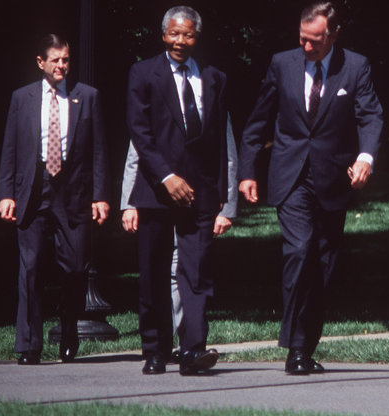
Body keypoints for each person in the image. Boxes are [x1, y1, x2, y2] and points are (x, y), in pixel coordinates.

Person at [238, 1, 383, 375]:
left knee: (323, 263)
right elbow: (260, 118)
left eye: (315, 41)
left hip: (334, 178)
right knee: (299, 251)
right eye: (302, 39)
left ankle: (306, 343)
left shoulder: (355, 66)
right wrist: (248, 171)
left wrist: (365, 158)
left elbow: (369, 115)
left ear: (333, 35)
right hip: (290, 176)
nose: (306, 48)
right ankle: (295, 348)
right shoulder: (281, 64)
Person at [126, 5, 229, 376]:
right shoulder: (143, 73)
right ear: (163, 34)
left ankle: (193, 351)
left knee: (196, 271)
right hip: (156, 189)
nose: (180, 41)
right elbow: (140, 132)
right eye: (174, 34)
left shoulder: (214, 77)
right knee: (153, 271)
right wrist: (167, 177)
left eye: (187, 35)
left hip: (200, 191)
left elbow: (218, 139)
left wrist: (220, 191)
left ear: (196, 37)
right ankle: (155, 349)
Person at [0, 34, 110, 365]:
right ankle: (29, 345)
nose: (62, 65)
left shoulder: (86, 97)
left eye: (66, 60)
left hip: (73, 193)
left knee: (75, 267)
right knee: (29, 268)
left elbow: (100, 151)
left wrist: (101, 196)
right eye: (56, 60)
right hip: (33, 189)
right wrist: (6, 194)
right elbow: (10, 148)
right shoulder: (22, 98)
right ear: (40, 62)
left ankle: (68, 329)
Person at [120, 114, 238, 362]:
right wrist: (129, 204)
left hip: (198, 200)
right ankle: (158, 343)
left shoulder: (210, 90)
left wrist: (226, 208)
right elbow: (136, 154)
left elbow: (226, 155)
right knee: (156, 271)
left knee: (190, 270)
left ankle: (190, 344)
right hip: (155, 200)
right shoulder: (153, 93)